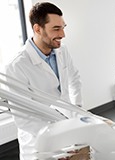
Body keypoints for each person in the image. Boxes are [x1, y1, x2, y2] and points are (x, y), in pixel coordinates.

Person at [5, 2, 84, 160]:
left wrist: (77, 113)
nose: (63, 34)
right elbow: (23, 119)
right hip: (38, 144)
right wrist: (60, 135)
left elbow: (75, 81)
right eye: (56, 29)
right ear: (37, 29)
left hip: (69, 129)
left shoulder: (62, 51)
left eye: (63, 27)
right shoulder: (16, 66)